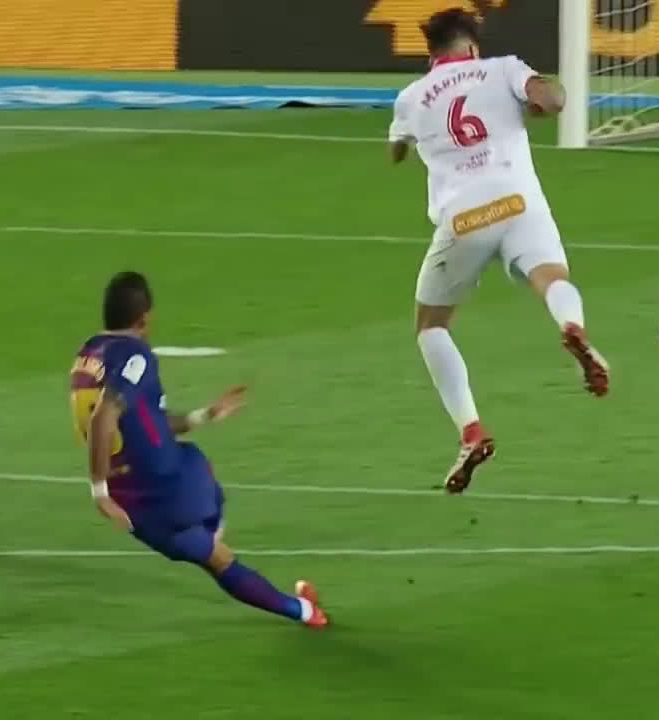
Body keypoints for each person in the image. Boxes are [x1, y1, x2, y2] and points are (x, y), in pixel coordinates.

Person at [388, 9, 610, 495]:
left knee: (431, 326)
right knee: (552, 278)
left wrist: (412, 141)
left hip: (464, 216)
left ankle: (471, 430)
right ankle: (571, 326)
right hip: (517, 200)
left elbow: (396, 151)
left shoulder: (411, 97)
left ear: (433, 53)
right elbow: (552, 100)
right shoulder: (503, 68)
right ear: (472, 47)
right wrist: (540, 98)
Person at [69, 271, 329, 627]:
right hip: (163, 488)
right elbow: (103, 418)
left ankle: (304, 611)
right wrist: (98, 493)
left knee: (217, 558)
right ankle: (300, 607)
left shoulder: (87, 355)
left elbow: (144, 421)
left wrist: (205, 415)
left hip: (131, 501)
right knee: (199, 473)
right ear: (144, 318)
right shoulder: (136, 356)